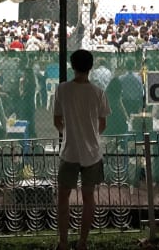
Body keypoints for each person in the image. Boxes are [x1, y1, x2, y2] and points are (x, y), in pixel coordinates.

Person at [53, 49, 111, 250]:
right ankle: (82, 242)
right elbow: (102, 124)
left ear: (72, 66)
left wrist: (70, 131)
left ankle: (62, 242)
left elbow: (57, 121)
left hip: (69, 151)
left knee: (63, 198)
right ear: (91, 67)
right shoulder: (98, 92)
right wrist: (90, 134)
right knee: (88, 198)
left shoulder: (62, 89)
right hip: (92, 153)